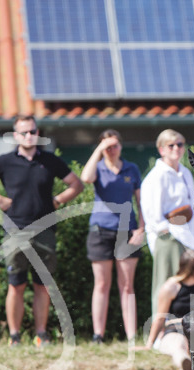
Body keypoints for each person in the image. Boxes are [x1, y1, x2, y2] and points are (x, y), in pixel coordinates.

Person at [0, 115, 84, 346]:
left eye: (32, 131)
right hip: (15, 230)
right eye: (24, 132)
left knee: (43, 285)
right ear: (16, 136)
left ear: (38, 133)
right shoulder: (4, 161)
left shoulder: (50, 160)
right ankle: (14, 337)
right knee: (16, 284)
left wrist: (58, 200)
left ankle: (41, 335)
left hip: (45, 230)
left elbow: (77, 184)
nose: (29, 136)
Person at [81, 129, 146, 343]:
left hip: (127, 231)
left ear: (121, 146)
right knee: (101, 284)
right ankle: (98, 335)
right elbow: (85, 178)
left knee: (127, 285)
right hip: (100, 231)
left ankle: (131, 336)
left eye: (115, 145)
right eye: (107, 146)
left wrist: (141, 228)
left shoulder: (132, 169)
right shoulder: (97, 168)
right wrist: (99, 149)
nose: (112, 150)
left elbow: (140, 201)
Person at [140, 129, 194, 316]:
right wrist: (169, 230)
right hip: (167, 237)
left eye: (180, 144)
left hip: (188, 236)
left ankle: (186, 327)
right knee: (165, 283)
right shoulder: (156, 176)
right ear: (161, 149)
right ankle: (160, 332)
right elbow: (153, 215)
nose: (176, 148)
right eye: (171, 145)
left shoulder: (185, 173)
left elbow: (192, 206)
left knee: (191, 281)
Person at [139, 251, 194, 370]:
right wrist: (149, 343)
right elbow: (160, 318)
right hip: (175, 329)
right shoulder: (171, 287)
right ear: (192, 268)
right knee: (178, 345)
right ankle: (186, 364)